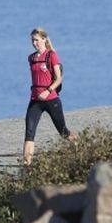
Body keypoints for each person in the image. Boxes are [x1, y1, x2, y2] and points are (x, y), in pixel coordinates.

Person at [23, 27, 72, 165]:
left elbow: (59, 79)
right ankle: (26, 165)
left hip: (51, 99)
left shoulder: (51, 55)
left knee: (63, 132)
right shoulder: (31, 58)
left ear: (44, 39)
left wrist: (48, 90)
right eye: (32, 40)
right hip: (35, 100)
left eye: (37, 40)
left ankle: (81, 147)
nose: (34, 43)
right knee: (29, 133)